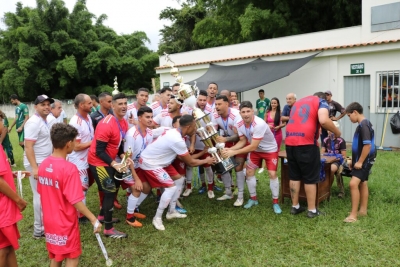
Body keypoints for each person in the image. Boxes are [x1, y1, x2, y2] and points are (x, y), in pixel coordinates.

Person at [37, 123, 102, 267]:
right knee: (72, 256)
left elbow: (42, 191)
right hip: (65, 222)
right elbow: (76, 200)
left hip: (49, 221)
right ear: (68, 144)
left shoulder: (43, 165)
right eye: (74, 141)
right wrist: (93, 219)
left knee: (56, 256)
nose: (75, 144)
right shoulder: (69, 168)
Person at [138, 115, 215, 230]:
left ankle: (171, 211)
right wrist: (206, 160)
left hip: (160, 161)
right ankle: (157, 218)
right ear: (188, 127)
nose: (195, 129)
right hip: (151, 163)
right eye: (194, 127)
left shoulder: (174, 132)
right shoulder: (177, 140)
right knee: (171, 187)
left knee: (179, 179)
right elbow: (191, 163)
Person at [285, 92, 340, 218]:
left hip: (289, 142)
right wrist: (337, 132)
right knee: (310, 177)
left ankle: (295, 206)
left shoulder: (298, 102)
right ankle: (312, 210)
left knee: (294, 175)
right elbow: (324, 120)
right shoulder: (321, 102)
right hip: (306, 143)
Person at [222, 101, 282, 213]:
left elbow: (252, 146)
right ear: (240, 113)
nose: (246, 114)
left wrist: (233, 153)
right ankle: (253, 199)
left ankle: (275, 202)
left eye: (248, 111)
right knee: (249, 172)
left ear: (253, 111)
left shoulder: (259, 123)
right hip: (256, 150)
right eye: (243, 112)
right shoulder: (239, 124)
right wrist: (230, 149)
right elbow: (243, 141)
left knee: (272, 174)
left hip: (269, 150)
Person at [88, 93, 129, 238]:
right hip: (98, 162)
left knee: (114, 187)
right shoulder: (106, 124)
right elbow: (99, 151)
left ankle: (102, 217)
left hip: (109, 161)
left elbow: (117, 143)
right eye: (120, 104)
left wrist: (123, 156)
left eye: (125, 103)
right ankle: (108, 229)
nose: (123, 106)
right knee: (110, 191)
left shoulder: (123, 121)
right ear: (113, 106)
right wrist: (114, 164)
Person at [24, 94, 54, 238]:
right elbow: (28, 147)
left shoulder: (45, 120)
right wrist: (35, 167)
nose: (47, 107)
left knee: (45, 195)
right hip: (36, 163)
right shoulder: (34, 122)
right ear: (35, 107)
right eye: (43, 104)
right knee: (40, 195)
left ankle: (44, 225)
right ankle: (39, 230)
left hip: (43, 162)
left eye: (48, 104)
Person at [0, 111, 27, 267]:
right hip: (3, 207)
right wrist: (18, 200)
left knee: (8, 245)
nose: (3, 125)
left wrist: (13, 174)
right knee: (3, 249)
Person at [343, 102, 376, 223]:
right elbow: (360, 145)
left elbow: (367, 145)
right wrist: (353, 159)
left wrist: (360, 162)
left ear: (355, 112)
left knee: (353, 184)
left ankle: (353, 215)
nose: (349, 118)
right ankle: (362, 211)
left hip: (365, 160)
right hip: (361, 159)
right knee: (363, 183)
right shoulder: (362, 124)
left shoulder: (364, 125)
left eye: (349, 115)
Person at [211, 95, 247, 206]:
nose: (217, 107)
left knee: (239, 166)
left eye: (219, 104)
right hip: (227, 140)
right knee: (225, 164)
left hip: (241, 140)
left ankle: (240, 196)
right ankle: (228, 192)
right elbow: (213, 130)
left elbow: (241, 137)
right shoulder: (215, 114)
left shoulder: (236, 115)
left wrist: (225, 138)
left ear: (227, 104)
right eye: (216, 104)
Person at [123, 106, 154, 228]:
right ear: (139, 118)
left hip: (140, 165)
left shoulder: (150, 133)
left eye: (151, 117)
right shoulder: (131, 134)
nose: (150, 119)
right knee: (137, 188)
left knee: (147, 188)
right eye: (147, 117)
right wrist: (136, 178)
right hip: (126, 166)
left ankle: (134, 208)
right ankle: (129, 217)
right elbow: (127, 158)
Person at [68, 94, 95, 223]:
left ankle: (78, 211)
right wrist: (94, 142)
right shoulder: (75, 122)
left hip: (87, 158)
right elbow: (76, 146)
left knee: (85, 186)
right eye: (89, 103)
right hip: (78, 161)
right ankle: (80, 216)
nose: (92, 105)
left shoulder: (88, 117)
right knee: (82, 188)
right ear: (81, 105)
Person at [182, 90, 215, 197]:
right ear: (196, 99)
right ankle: (188, 187)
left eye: (204, 100)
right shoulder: (187, 108)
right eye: (200, 100)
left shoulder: (210, 110)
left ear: (207, 100)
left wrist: (204, 133)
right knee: (189, 166)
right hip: (189, 143)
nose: (202, 102)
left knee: (208, 165)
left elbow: (212, 126)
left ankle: (210, 188)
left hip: (204, 143)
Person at [321, 121, 346, 198]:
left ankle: (328, 189)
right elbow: (322, 153)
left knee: (331, 169)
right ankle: (322, 189)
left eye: (331, 130)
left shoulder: (341, 140)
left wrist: (333, 157)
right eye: (328, 129)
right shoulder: (325, 140)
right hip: (327, 160)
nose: (329, 131)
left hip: (338, 161)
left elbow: (343, 155)